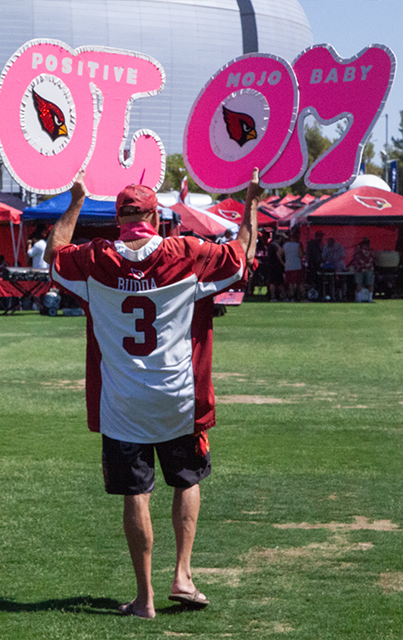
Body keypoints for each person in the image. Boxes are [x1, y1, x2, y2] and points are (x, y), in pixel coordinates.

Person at [46, 168, 260, 619]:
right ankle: (182, 575)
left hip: (122, 401)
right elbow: (241, 255)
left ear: (118, 219)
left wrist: (77, 200)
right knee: (187, 479)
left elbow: (54, 253)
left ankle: (144, 599)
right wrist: (252, 201)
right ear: (156, 218)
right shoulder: (187, 252)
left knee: (135, 494)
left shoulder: (96, 258)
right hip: (178, 395)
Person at [278, 228, 304, 302]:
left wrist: (283, 262)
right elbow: (300, 255)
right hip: (297, 266)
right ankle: (302, 297)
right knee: (300, 282)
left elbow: (279, 253)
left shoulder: (285, 245)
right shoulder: (298, 245)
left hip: (288, 267)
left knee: (290, 283)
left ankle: (292, 297)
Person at [348, 237, 375, 302]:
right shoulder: (367, 249)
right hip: (363, 268)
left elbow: (355, 258)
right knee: (363, 283)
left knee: (365, 283)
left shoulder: (363, 249)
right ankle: (365, 299)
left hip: (363, 268)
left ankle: (363, 298)